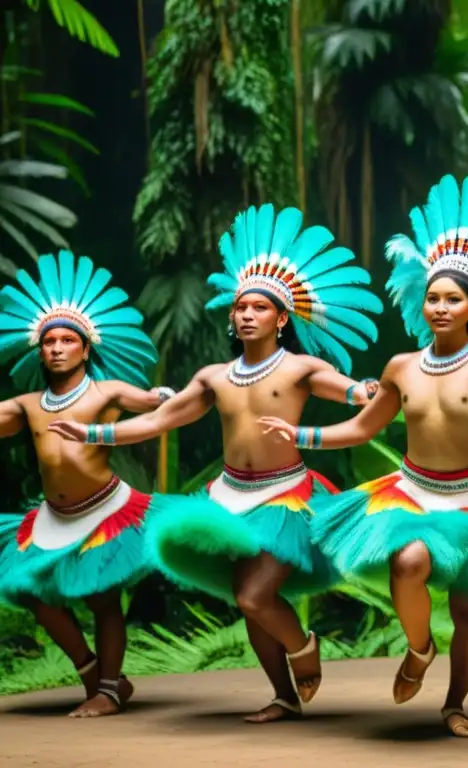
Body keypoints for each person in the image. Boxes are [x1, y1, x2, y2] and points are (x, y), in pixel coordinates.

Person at [258, 174, 468, 738]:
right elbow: (361, 427)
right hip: (414, 493)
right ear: (422, 305)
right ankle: (419, 649)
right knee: (409, 563)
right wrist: (302, 438)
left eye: (452, 300)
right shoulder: (401, 366)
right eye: (432, 298)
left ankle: (456, 702)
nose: (439, 307)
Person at [48, 205, 383, 724]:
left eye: (258, 308)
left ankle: (304, 646)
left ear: (282, 317)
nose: (246, 314)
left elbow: (350, 390)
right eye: (240, 307)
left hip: (285, 496)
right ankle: (283, 696)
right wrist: (94, 431)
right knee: (245, 597)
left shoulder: (300, 367)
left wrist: (364, 390)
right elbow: (157, 422)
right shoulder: (214, 377)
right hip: (230, 497)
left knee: (254, 597)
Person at [0, 250, 176, 717]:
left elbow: (155, 403)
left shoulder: (107, 393)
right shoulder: (28, 404)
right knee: (31, 592)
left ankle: (109, 691)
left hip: (105, 511)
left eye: (66, 340)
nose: (56, 348)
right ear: (39, 350)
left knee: (102, 597)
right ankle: (92, 672)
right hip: (53, 517)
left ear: (85, 347)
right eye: (48, 341)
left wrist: (166, 396)